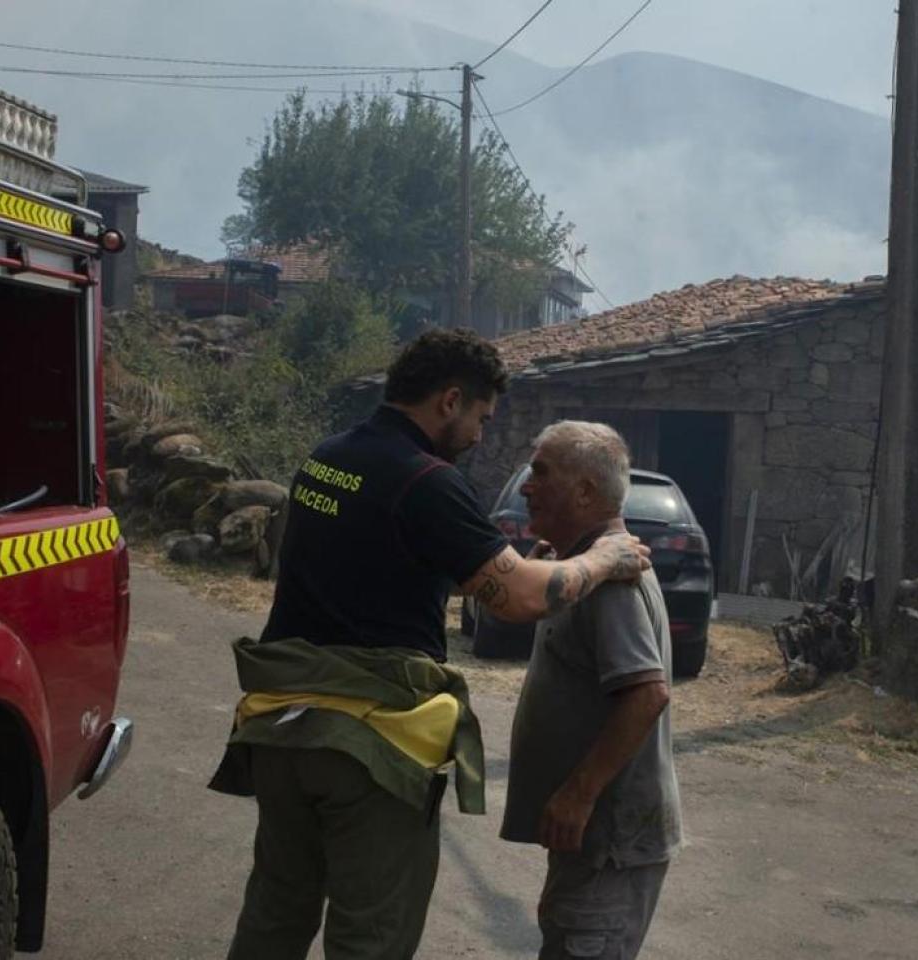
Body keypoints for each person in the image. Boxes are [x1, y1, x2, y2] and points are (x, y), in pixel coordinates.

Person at [209, 330, 652, 960]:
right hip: (364, 746)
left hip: (279, 730)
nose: (480, 436)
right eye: (482, 417)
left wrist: (523, 563)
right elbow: (519, 599)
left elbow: (386, 562)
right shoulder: (426, 481)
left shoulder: (328, 457)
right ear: (450, 401)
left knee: (275, 914)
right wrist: (606, 557)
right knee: (372, 937)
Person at [500, 421, 683, 960]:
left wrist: (579, 795)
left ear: (584, 492)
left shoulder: (610, 583)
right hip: (593, 842)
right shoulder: (583, 567)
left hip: (610, 843)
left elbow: (647, 695)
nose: (526, 487)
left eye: (541, 474)